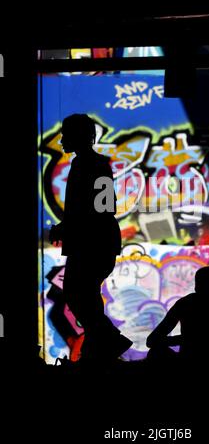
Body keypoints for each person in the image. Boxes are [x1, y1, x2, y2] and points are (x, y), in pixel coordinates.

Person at [49, 114, 132, 365]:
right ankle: (99, 351)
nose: (62, 139)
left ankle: (109, 343)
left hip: (91, 243)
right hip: (98, 241)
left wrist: (66, 228)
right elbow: (103, 206)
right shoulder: (94, 164)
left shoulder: (87, 165)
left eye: (66, 134)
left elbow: (97, 209)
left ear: (79, 136)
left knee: (77, 295)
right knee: (87, 298)